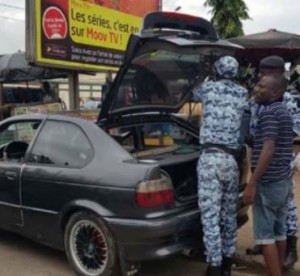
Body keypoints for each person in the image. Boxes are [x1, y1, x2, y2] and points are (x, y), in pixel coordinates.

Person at [193, 56, 247, 276]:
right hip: (231, 161)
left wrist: (205, 72)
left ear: (217, 70)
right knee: (228, 215)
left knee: (210, 217)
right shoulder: (243, 93)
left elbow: (192, 92)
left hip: (210, 159)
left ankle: (214, 267)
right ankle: (227, 264)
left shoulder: (207, 88)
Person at [246, 55, 299, 270]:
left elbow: (268, 149)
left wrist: (252, 182)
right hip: (282, 179)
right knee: (278, 231)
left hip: (268, 180)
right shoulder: (281, 111)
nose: (257, 86)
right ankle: (279, 266)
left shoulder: (273, 111)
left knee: (266, 236)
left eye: (262, 83)